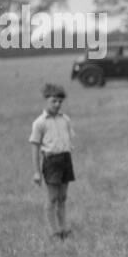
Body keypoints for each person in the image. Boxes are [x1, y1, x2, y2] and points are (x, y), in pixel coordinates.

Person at [29, 83, 76, 239]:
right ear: (46, 101)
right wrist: (37, 172)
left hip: (65, 160)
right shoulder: (39, 123)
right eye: (53, 101)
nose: (57, 104)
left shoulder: (65, 119)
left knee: (63, 197)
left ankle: (64, 228)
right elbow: (35, 148)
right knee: (52, 197)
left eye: (60, 102)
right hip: (51, 162)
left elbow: (69, 138)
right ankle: (53, 231)